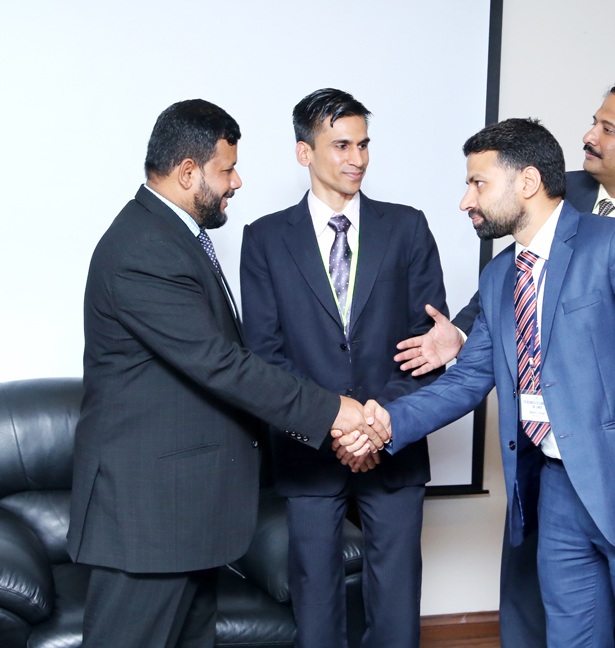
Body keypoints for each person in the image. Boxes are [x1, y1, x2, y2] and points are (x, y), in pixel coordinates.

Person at [397, 82, 615, 646]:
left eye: (608, 129)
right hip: (556, 476)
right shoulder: (527, 237)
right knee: (569, 631)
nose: (588, 136)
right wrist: (387, 419)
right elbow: (485, 347)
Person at [67, 98, 385, 648]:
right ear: (188, 172)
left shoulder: (174, 236)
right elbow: (221, 365)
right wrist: (334, 410)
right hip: (150, 516)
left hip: (186, 514)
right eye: (226, 169)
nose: (237, 182)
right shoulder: (142, 248)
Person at [239, 88, 447, 648]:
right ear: (304, 153)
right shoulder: (262, 239)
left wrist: (378, 424)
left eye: (363, 144)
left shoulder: (407, 227)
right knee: (316, 599)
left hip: (393, 440)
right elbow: (264, 353)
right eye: (341, 145)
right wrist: (334, 423)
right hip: (307, 447)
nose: (357, 158)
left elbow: (429, 342)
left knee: (398, 601)